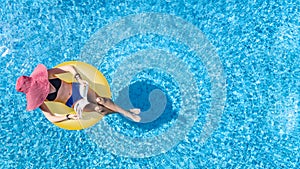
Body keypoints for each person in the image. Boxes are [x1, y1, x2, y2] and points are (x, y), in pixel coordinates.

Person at [16, 64, 141, 123]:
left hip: (77, 88)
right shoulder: (41, 100)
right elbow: (51, 117)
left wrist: (78, 78)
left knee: (101, 100)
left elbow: (69, 67)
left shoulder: (48, 75)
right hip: (73, 102)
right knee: (98, 108)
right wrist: (68, 117)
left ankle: (127, 113)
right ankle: (127, 111)